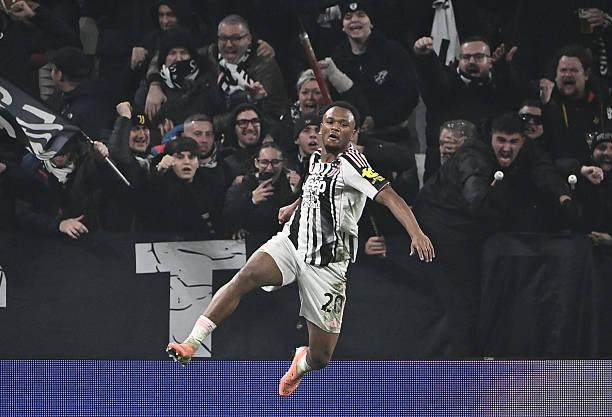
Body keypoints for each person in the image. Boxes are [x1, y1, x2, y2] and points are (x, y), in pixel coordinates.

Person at [166, 101, 435, 396]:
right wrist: (294, 206)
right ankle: (191, 343)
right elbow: (313, 188)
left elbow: (390, 196)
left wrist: (416, 232)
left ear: (354, 133)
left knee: (321, 357)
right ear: (320, 128)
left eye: (344, 124)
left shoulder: (355, 166)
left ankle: (301, 364)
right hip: (292, 243)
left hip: (327, 263)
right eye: (330, 122)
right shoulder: (315, 158)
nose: (335, 128)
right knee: (246, 276)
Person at [223, 143, 297, 244]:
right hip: (250, 243)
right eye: (264, 162)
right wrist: (251, 200)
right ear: (256, 163)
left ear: (283, 163)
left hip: (281, 243)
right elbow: (227, 217)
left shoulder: (291, 186)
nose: (269, 168)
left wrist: (295, 191)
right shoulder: (243, 185)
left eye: (275, 162)